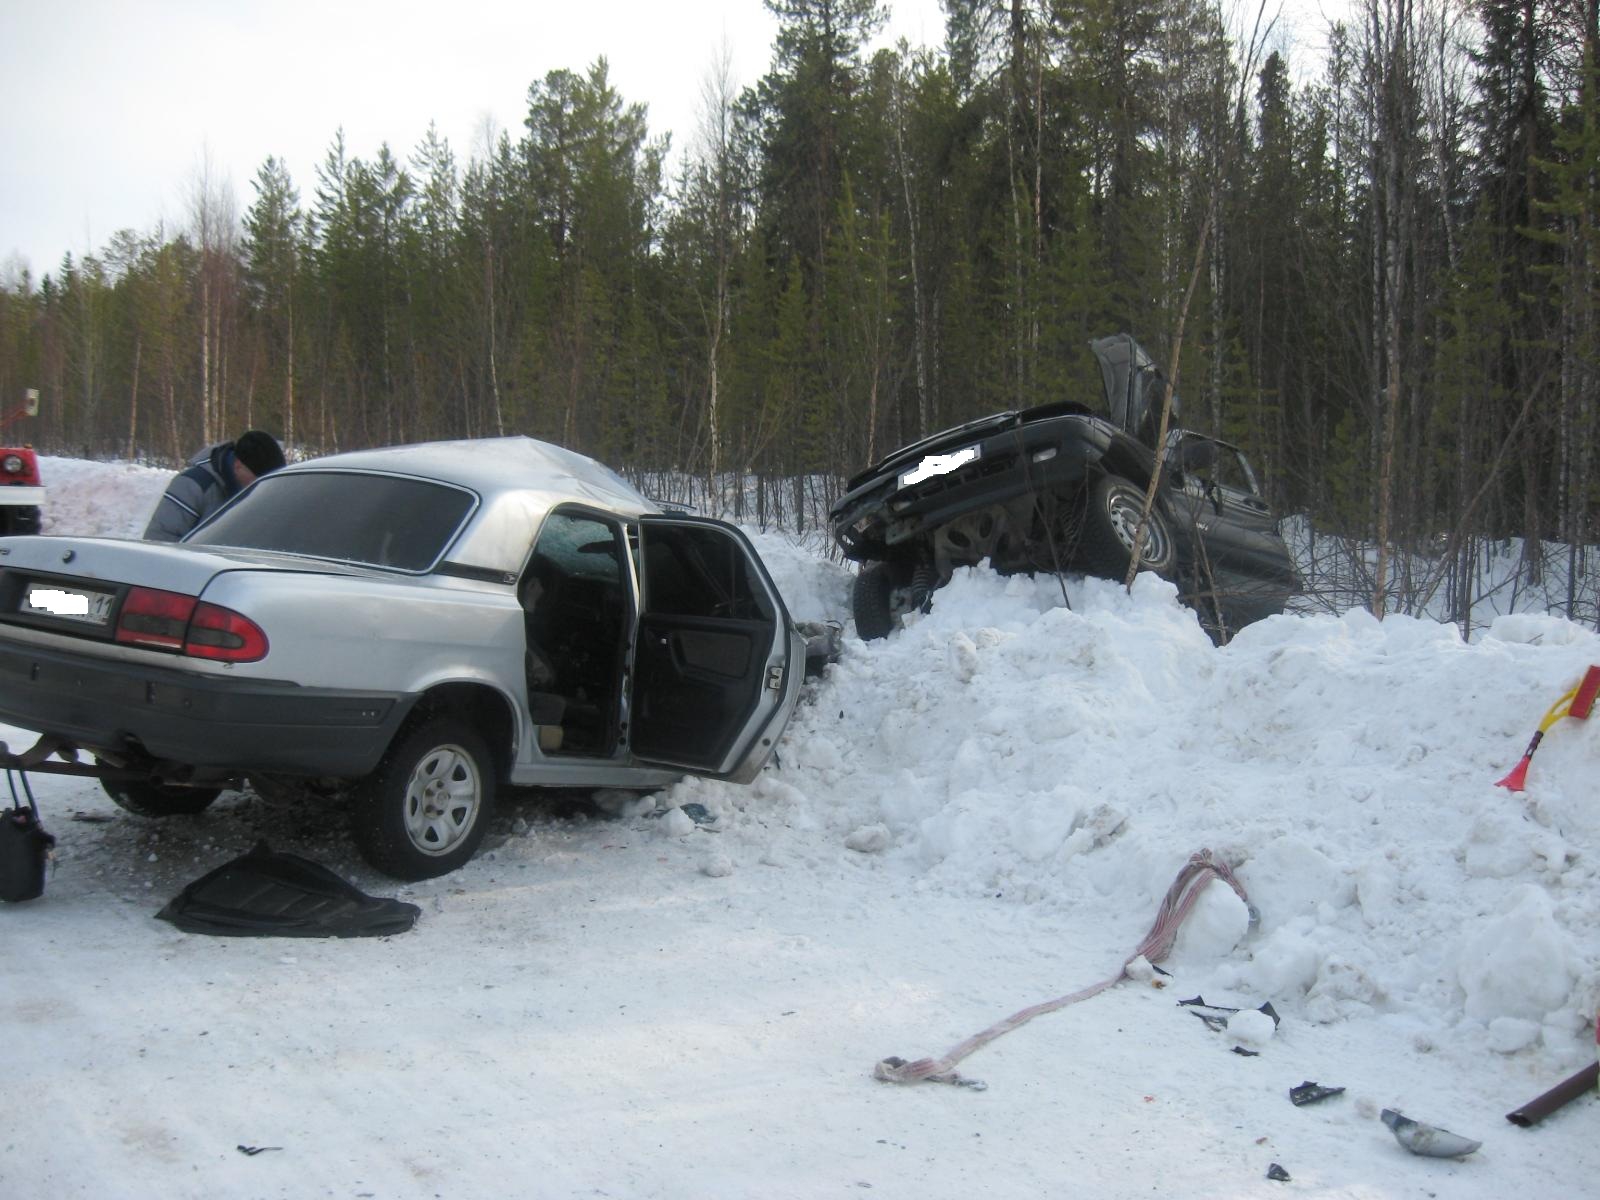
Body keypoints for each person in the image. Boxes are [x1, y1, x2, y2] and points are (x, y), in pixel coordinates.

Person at [144, 430, 286, 542]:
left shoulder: (260, 493)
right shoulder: (193, 485)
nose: (263, 487)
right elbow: (159, 540)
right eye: (258, 480)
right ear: (238, 467)